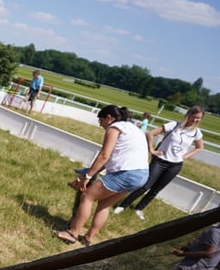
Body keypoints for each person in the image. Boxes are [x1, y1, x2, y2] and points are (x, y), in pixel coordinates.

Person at [54, 105, 149, 246]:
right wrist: (89, 173)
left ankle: (72, 233)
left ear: (109, 118)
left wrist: (87, 177)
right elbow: (109, 159)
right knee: (104, 204)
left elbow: (104, 155)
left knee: (87, 197)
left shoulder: (114, 128)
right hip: (142, 175)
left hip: (126, 173)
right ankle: (88, 238)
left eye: (101, 121)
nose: (101, 125)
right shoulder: (132, 128)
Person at [113, 105, 205, 221]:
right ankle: (123, 205)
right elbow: (150, 134)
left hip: (175, 165)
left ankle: (139, 209)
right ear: (189, 115)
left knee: (156, 190)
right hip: (160, 161)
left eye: (199, 118)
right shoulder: (174, 125)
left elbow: (199, 147)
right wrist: (151, 150)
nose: (196, 120)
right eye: (194, 117)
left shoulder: (196, 132)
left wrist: (185, 156)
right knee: (145, 186)